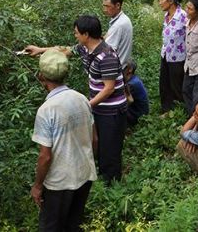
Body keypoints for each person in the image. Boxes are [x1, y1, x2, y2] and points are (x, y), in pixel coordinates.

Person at [25, 15, 127, 184]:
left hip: (112, 111)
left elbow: (109, 89)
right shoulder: (85, 48)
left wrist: (86, 104)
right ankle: (104, 179)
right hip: (98, 108)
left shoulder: (107, 56)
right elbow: (64, 50)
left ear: (86, 34)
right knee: (99, 145)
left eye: (77, 33)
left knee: (110, 150)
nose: (75, 36)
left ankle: (113, 186)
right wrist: (40, 50)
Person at [31, 49, 97, 232]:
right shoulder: (82, 99)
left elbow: (45, 157)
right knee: (73, 225)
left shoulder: (47, 110)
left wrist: (37, 186)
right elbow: (94, 139)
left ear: (41, 76)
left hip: (59, 184)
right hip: (84, 175)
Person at [154, 0, 187, 117]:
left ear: (171, 1)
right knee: (165, 84)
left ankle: (181, 112)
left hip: (178, 57)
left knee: (177, 85)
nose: (159, 2)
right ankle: (167, 110)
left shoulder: (183, 16)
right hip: (166, 55)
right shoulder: (166, 16)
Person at [102, 0, 133, 69]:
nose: (104, 10)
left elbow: (106, 51)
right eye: (104, 6)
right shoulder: (122, 19)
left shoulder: (119, 24)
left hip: (115, 72)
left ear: (118, 5)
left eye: (108, 6)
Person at [123, 59, 149, 126]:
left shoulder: (132, 84)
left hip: (138, 115)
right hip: (138, 111)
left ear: (130, 69)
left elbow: (124, 101)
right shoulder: (133, 79)